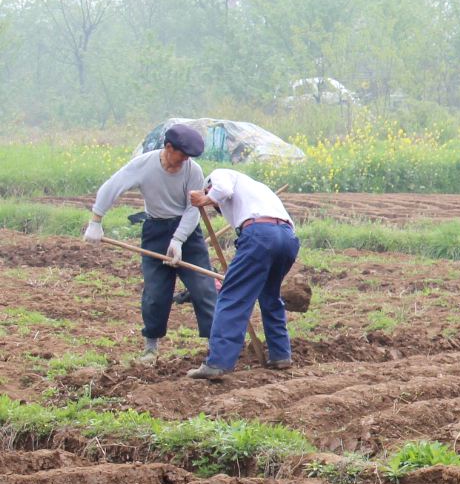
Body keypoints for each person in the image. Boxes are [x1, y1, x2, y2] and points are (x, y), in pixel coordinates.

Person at [84, 124, 215, 364]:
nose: (185, 160)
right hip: (155, 231)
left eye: (189, 156)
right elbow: (111, 187)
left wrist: (178, 240)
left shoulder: (192, 170)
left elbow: (192, 210)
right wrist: (96, 220)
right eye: (182, 154)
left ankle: (216, 347)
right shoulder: (144, 165)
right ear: (168, 147)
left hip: (187, 233)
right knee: (156, 293)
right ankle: (151, 348)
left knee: (204, 289)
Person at [184, 168, 300, 380]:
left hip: (260, 235)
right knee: (270, 295)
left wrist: (205, 198)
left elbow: (222, 189)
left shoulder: (221, 175)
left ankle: (217, 362)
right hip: (287, 238)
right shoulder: (257, 188)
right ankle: (281, 354)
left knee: (232, 296)